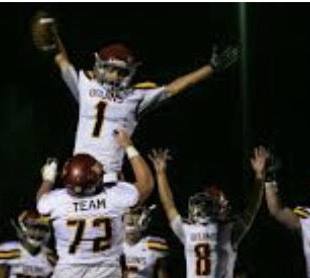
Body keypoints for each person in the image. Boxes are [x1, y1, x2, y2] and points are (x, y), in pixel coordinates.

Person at [31, 11, 240, 182]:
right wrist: (53, 34)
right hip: (77, 173)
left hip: (109, 177)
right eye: (110, 69)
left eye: (121, 71)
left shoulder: (136, 95)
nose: (114, 75)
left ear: (130, 72)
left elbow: (173, 88)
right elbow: (62, 60)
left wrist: (209, 69)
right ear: (98, 66)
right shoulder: (85, 84)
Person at [35, 129, 154, 278]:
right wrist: (129, 146)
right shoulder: (115, 197)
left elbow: (41, 199)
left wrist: (48, 178)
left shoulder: (57, 201)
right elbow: (146, 184)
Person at [149, 146, 268, 278]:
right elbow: (251, 209)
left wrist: (161, 173)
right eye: (203, 205)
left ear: (220, 207)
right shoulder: (221, 230)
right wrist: (259, 177)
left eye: (208, 204)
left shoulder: (219, 230)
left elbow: (169, 205)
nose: (203, 209)